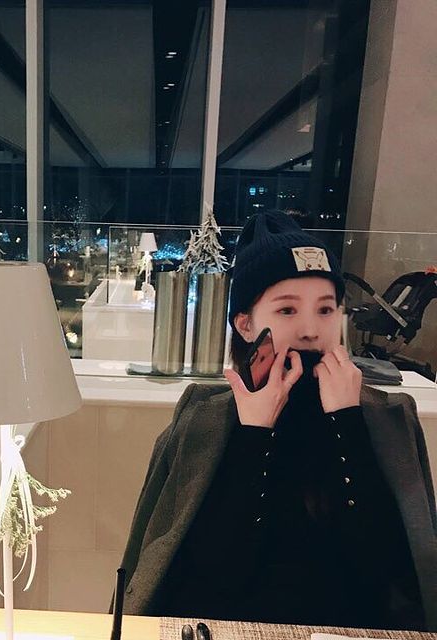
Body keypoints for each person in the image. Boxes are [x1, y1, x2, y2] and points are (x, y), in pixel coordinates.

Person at [119, 211, 437, 630]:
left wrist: (348, 422)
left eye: (326, 310)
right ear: (246, 325)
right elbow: (215, 575)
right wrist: (253, 434)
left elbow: (388, 575)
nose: (311, 330)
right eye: (287, 310)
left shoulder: (388, 419)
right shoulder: (204, 419)